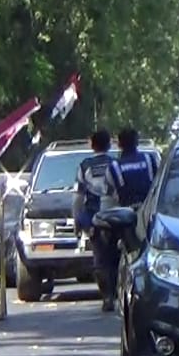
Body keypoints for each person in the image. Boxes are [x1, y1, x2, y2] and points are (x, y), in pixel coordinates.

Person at [100, 129, 159, 311]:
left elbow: (108, 200)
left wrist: (104, 223)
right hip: (152, 217)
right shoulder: (151, 161)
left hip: (127, 218)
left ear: (119, 144)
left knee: (109, 254)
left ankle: (109, 296)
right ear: (137, 142)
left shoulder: (114, 168)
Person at [74, 130, 115, 306]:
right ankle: (115, 293)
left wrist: (78, 219)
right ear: (110, 144)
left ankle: (106, 295)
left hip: (94, 217)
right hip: (115, 215)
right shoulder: (116, 163)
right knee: (115, 255)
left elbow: (78, 198)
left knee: (99, 257)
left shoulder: (84, 166)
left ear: (92, 144)